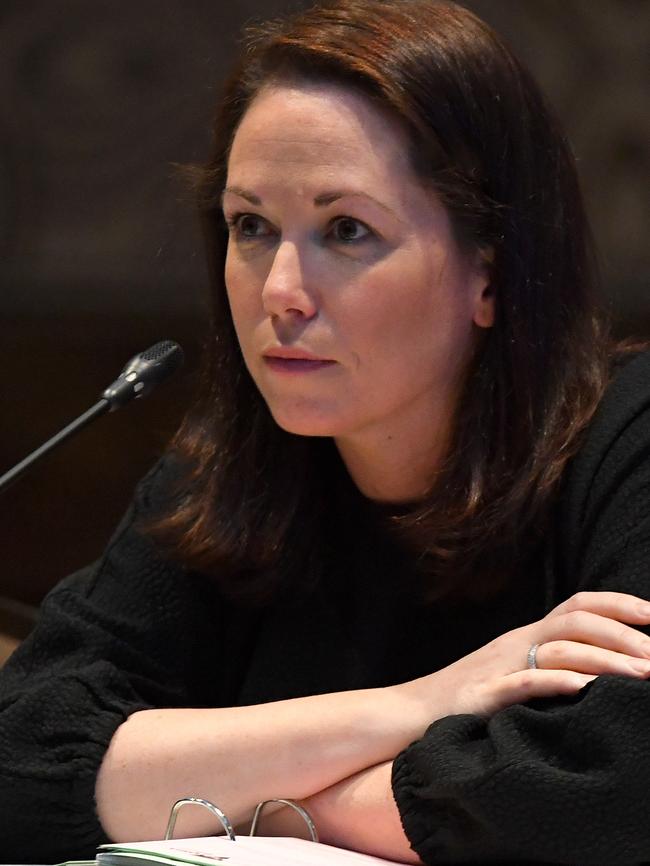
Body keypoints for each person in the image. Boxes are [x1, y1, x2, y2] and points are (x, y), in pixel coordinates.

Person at [1, 0, 650, 862]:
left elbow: (608, 787)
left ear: (489, 271)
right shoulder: (227, 478)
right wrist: (420, 704)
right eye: (251, 226)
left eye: (347, 230)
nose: (280, 290)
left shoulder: (629, 443)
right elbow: (20, 765)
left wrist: (255, 803)